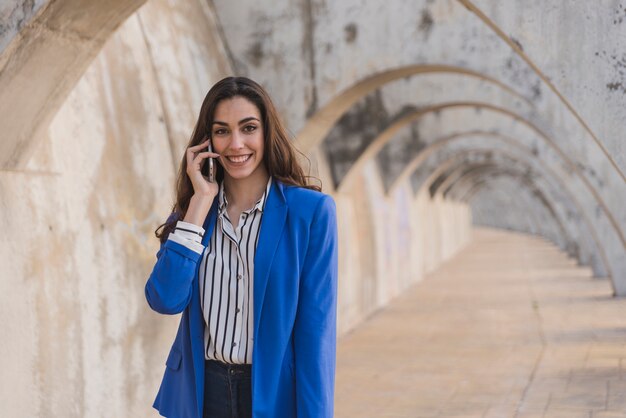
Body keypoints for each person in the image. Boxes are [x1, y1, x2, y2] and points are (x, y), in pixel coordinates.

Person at [144, 76, 338, 418]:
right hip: (203, 394)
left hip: (273, 396)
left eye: (248, 128)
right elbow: (165, 299)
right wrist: (200, 201)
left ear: (266, 133)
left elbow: (315, 334)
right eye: (222, 131)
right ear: (207, 141)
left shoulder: (310, 214)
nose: (236, 144)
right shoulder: (193, 216)